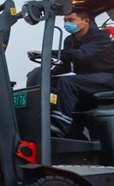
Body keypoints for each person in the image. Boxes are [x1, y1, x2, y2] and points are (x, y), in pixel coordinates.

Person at [48, 8, 114, 137]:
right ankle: (72, 131)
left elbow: (83, 55)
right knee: (48, 83)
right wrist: (47, 73)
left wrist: (52, 52)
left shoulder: (102, 36)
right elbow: (66, 66)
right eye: (65, 21)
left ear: (86, 21)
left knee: (67, 82)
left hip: (108, 77)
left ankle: (60, 125)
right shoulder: (69, 40)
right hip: (88, 80)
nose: (67, 24)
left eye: (71, 20)